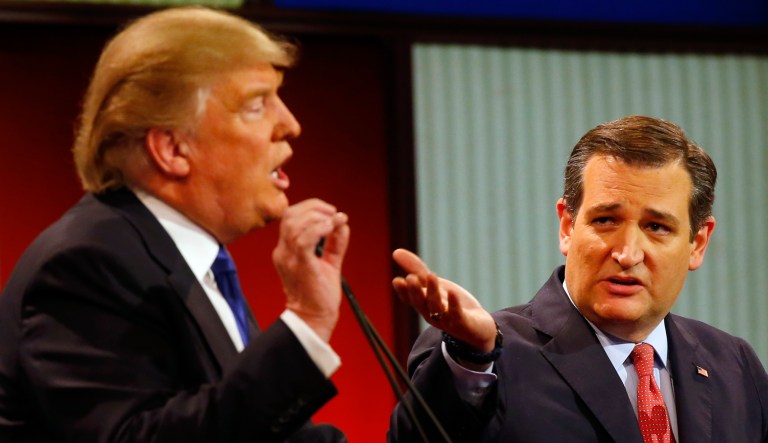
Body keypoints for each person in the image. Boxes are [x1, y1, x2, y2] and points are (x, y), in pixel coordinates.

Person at [0, 6, 350, 442]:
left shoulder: (190, 264)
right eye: (257, 104)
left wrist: (439, 367)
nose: (290, 125)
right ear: (172, 149)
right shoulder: (90, 264)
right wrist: (306, 322)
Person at [388, 115, 768, 442]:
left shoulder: (735, 366)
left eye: (656, 227)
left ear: (697, 243)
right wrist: (471, 356)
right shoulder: (486, 357)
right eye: (605, 220)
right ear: (567, 227)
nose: (627, 253)